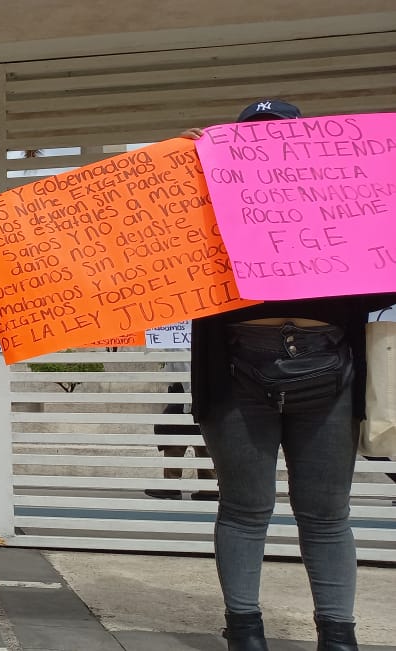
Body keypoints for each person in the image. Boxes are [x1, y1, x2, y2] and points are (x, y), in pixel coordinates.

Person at [184, 100, 396, 651]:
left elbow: (384, 280)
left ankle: (338, 636)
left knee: (325, 515)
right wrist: (185, 175)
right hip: (236, 373)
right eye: (250, 140)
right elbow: (157, 256)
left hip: (330, 371)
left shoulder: (342, 198)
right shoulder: (207, 200)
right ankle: (245, 633)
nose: (264, 150)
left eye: (278, 139)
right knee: (245, 509)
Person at [145, 377, 218, 501]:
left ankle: (176, 486)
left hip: (188, 397)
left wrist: (189, 402)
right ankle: (208, 488)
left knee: (178, 439)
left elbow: (187, 375)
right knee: (199, 440)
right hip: (190, 396)